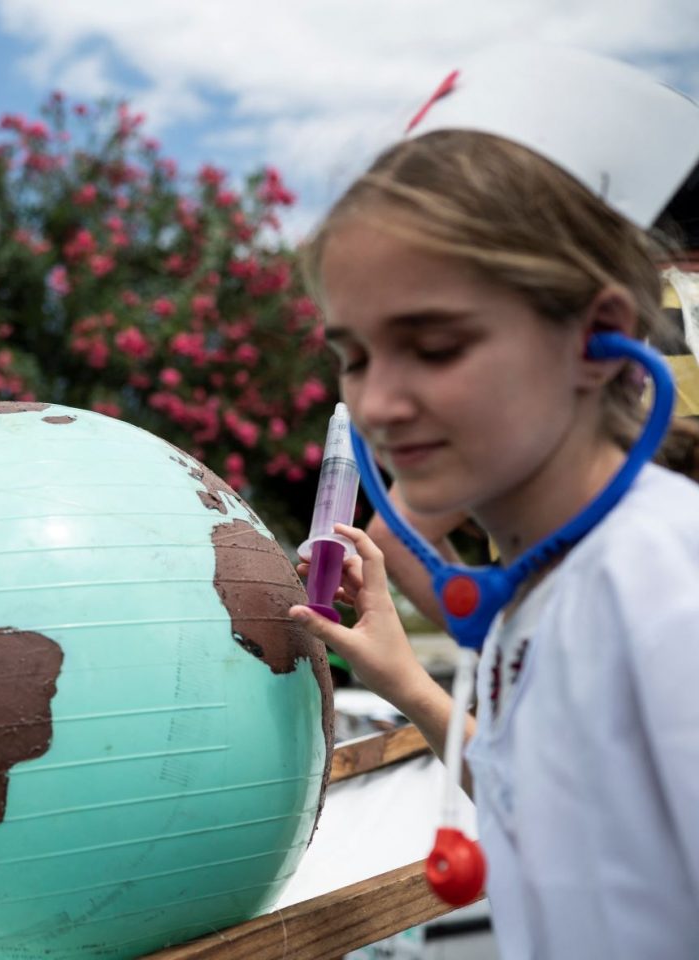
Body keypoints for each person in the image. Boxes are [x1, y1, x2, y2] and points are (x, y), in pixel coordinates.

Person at [288, 46, 699, 958]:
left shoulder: (664, 584)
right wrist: (402, 679)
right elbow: (565, 816)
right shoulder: (547, 594)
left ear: (599, 335)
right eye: (354, 356)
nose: (375, 404)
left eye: (433, 347)